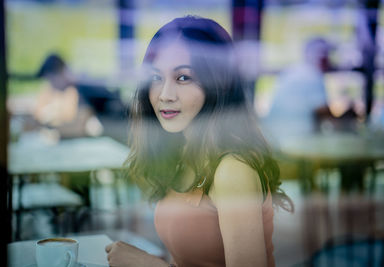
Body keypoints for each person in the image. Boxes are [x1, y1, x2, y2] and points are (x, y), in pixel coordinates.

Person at [105, 16, 293, 267]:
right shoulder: (183, 151)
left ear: (218, 85)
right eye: (156, 77)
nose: (165, 95)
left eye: (183, 78)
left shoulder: (232, 169)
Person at [263, 37, 357, 144]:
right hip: (294, 142)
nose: (330, 61)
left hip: (275, 139)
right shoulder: (313, 75)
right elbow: (325, 116)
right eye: (328, 56)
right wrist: (347, 117)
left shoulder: (293, 71)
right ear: (322, 58)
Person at [33, 53, 104, 138]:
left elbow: (78, 125)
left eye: (51, 79)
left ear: (61, 72)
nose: (51, 85)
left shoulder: (82, 90)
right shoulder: (78, 87)